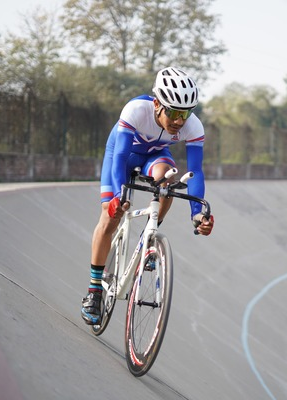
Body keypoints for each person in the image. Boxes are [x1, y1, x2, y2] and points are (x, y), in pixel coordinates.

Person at [81, 66, 215, 325]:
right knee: (110, 217)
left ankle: (148, 240)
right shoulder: (136, 110)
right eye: (174, 112)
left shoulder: (193, 126)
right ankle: (94, 289)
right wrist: (119, 196)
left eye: (185, 114)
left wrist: (197, 215)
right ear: (157, 104)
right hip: (122, 154)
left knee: (169, 181)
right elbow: (119, 156)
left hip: (153, 157)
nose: (179, 121)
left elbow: (195, 171)